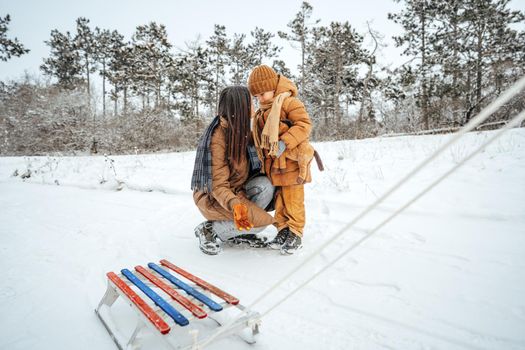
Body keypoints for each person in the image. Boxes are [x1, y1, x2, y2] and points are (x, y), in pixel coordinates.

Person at [191, 86, 276, 255]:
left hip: (238, 189)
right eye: (249, 103)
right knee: (260, 224)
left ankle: (242, 231)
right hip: (213, 197)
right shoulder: (218, 139)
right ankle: (210, 229)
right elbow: (218, 185)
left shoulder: (242, 131)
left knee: (266, 185)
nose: (254, 106)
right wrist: (235, 205)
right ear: (240, 108)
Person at [248, 64, 320, 255]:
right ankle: (282, 230)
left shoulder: (289, 102)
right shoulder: (262, 112)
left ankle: (295, 232)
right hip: (274, 167)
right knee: (280, 200)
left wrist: (284, 142)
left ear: (273, 87)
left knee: (293, 199)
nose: (260, 99)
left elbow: (304, 125)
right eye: (256, 96)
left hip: (292, 163)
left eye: (263, 93)